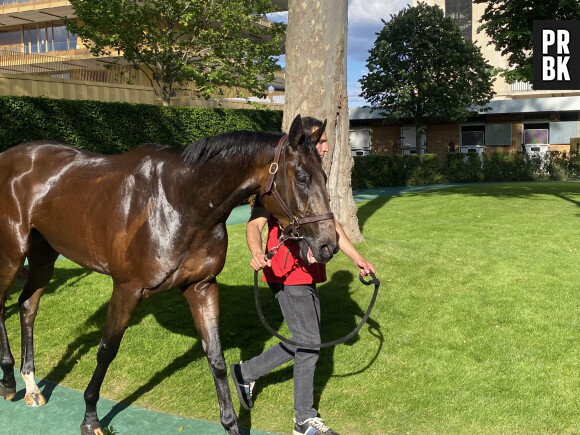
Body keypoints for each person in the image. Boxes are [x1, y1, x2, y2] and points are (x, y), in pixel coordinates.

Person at [230, 117, 376, 435]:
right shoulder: (283, 179)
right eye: (321, 141)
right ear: (307, 142)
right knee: (309, 343)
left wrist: (357, 259)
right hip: (284, 268)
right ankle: (304, 420)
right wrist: (256, 251)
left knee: (306, 340)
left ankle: (246, 372)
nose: (326, 146)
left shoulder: (311, 178)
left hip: (308, 269)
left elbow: (331, 224)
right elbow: (254, 224)